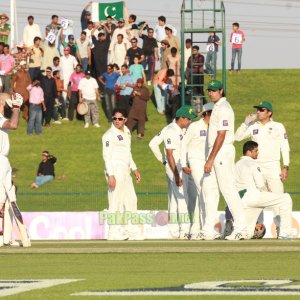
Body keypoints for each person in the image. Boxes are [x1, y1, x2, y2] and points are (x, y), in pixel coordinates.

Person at [235, 101, 290, 235]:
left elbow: (285, 147)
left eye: (262, 110)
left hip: (272, 166)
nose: (258, 112)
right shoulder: (253, 126)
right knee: (256, 198)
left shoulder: (278, 126)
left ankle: (281, 230)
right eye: (258, 110)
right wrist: (245, 123)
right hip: (256, 167)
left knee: (277, 198)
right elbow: (237, 137)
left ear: (269, 112)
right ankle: (256, 229)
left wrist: (285, 166)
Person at [202, 79, 247, 240]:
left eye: (214, 90)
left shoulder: (225, 108)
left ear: (221, 91)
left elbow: (221, 135)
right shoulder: (217, 107)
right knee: (211, 191)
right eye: (209, 90)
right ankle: (207, 229)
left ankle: (241, 227)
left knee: (228, 190)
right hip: (215, 153)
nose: (210, 92)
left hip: (222, 152)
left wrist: (210, 159)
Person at [235, 141, 294, 239]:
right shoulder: (253, 163)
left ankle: (242, 234)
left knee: (247, 233)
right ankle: (285, 232)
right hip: (253, 197)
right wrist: (267, 191)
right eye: (256, 151)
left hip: (242, 200)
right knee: (286, 199)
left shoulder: (237, 164)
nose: (257, 153)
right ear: (249, 152)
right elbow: (260, 184)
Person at [102, 108, 143, 240]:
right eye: (115, 118)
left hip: (125, 169)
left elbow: (127, 152)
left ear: (125, 119)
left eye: (120, 118)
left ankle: (131, 230)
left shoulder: (127, 132)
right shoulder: (108, 135)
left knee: (131, 199)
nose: (117, 121)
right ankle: (113, 232)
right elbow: (106, 156)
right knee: (115, 201)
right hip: (114, 168)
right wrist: (111, 174)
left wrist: (134, 168)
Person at [180, 102, 217, 239]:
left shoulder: (215, 127)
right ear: (207, 113)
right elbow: (184, 144)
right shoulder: (195, 126)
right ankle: (202, 229)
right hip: (195, 161)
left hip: (209, 162)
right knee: (203, 192)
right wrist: (184, 163)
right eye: (213, 113)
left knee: (206, 194)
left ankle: (197, 228)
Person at [163, 105, 196, 238]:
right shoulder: (170, 130)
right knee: (182, 198)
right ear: (181, 118)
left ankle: (176, 231)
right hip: (174, 166)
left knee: (180, 198)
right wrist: (176, 174)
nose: (190, 122)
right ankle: (184, 231)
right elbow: (169, 154)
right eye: (188, 119)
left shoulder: (183, 130)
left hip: (182, 166)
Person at [0, 92, 23, 246]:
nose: (10, 99)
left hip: (4, 160)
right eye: (7, 97)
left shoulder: (3, 118)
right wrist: (16, 107)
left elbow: (14, 122)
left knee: (10, 200)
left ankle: (7, 238)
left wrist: (17, 109)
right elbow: (13, 125)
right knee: (1, 199)